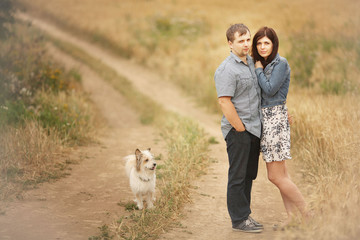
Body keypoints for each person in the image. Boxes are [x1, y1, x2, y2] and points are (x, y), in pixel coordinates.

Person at [252, 26, 308, 228]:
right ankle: (292, 218)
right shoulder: (264, 63)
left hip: (273, 120)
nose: (262, 46)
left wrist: (258, 69)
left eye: (266, 43)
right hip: (269, 118)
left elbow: (269, 89)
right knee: (283, 175)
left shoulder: (280, 63)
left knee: (275, 176)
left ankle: (308, 215)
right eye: (259, 43)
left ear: (274, 44)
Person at [214, 23, 263, 233]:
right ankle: (239, 219)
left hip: (254, 129)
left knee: (249, 174)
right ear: (230, 43)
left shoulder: (252, 63)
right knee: (238, 175)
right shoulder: (226, 69)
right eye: (240, 40)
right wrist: (240, 128)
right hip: (239, 131)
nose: (245, 44)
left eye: (247, 39)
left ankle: (245, 215)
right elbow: (224, 101)